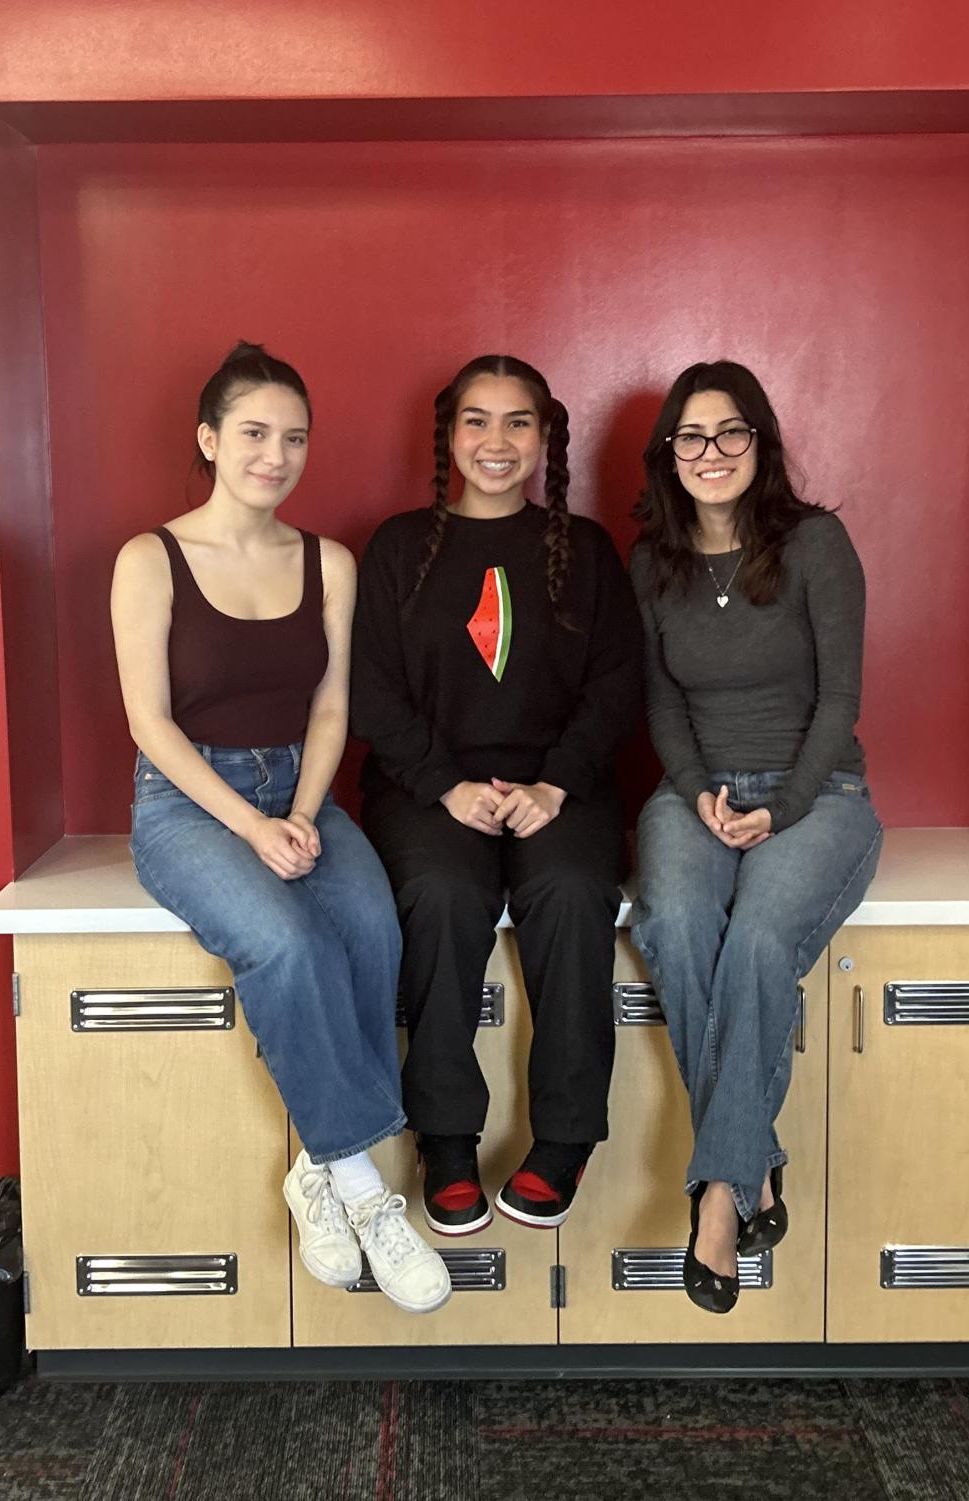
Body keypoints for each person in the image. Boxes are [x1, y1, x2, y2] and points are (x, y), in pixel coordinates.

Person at [110, 341, 450, 1314]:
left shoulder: (327, 563)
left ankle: (315, 1162)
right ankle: (363, 1185)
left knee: (377, 930)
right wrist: (253, 829)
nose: (276, 454)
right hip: (190, 807)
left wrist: (299, 814)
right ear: (210, 438)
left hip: (299, 791)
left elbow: (333, 709)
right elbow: (151, 725)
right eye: (254, 432)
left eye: (294, 437)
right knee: (290, 942)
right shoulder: (151, 560)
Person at [352, 354, 641, 1237]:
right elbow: (369, 689)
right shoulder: (399, 547)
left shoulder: (584, 550)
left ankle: (564, 1138)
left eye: (518, 422)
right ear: (447, 435)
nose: (496, 441)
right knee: (441, 895)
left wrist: (555, 782)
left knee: (570, 891)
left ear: (546, 437)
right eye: (476, 420)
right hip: (427, 788)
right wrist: (446, 784)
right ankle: (445, 1138)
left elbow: (618, 684)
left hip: (563, 787)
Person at [627, 360, 883, 1314]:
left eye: (731, 433)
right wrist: (697, 794)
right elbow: (657, 704)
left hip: (818, 794)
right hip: (695, 794)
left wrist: (784, 804)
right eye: (690, 437)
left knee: (760, 944)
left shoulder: (817, 544)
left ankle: (719, 1198)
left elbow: (841, 699)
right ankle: (754, 1161)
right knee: (681, 928)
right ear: (667, 453)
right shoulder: (651, 562)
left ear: (761, 443)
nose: (711, 453)